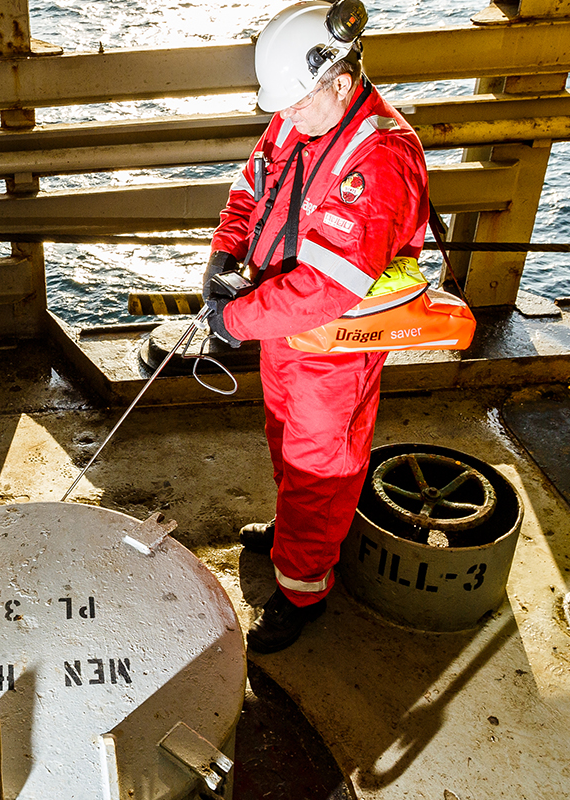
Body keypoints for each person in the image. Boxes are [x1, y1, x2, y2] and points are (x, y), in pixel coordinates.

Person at [202, 0, 431, 654]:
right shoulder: (302, 116)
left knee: (317, 468)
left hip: (334, 351)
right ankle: (289, 538)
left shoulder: (382, 159)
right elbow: (251, 190)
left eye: (296, 103)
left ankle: (303, 590)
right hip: (283, 326)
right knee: (286, 444)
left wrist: (235, 316)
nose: (284, 118)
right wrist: (226, 250)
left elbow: (330, 287)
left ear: (339, 81)